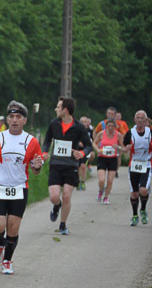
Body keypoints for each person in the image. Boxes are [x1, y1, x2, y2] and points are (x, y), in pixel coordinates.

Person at [0, 101, 43, 275]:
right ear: (7, 119)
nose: (15, 120)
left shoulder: (32, 142)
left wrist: (38, 166)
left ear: (24, 120)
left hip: (20, 188)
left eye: (18, 117)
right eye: (12, 116)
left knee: (13, 227)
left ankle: (7, 261)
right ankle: (0, 243)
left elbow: (35, 169)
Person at [42, 97, 92, 235]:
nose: (56, 109)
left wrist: (82, 153)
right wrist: (44, 152)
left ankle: (63, 225)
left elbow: (89, 146)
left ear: (65, 110)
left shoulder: (79, 127)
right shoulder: (54, 124)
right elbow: (47, 141)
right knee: (54, 197)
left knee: (66, 196)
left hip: (71, 165)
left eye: (58, 107)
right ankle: (56, 206)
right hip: (56, 164)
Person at [123, 110, 152, 226]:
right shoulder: (130, 133)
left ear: (146, 120)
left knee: (143, 190)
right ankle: (135, 215)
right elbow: (124, 146)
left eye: (142, 118)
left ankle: (143, 210)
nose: (140, 120)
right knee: (134, 193)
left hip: (147, 165)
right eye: (138, 118)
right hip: (133, 165)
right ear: (135, 120)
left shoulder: (150, 133)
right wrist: (126, 148)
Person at [93, 119, 125, 205]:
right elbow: (94, 143)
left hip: (113, 159)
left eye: (112, 126)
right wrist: (98, 150)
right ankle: (100, 191)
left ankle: (106, 197)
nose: (110, 128)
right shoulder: (101, 134)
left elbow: (123, 147)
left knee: (110, 180)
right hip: (102, 158)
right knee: (102, 179)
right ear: (106, 126)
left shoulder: (118, 135)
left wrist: (118, 148)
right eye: (109, 126)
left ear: (115, 127)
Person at [77, 116, 94, 190]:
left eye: (85, 122)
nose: (84, 123)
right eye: (82, 122)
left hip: (86, 150)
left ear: (88, 123)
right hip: (77, 150)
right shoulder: (76, 130)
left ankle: (83, 182)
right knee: (78, 167)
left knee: (83, 166)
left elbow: (93, 141)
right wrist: (78, 143)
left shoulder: (90, 130)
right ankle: (78, 182)